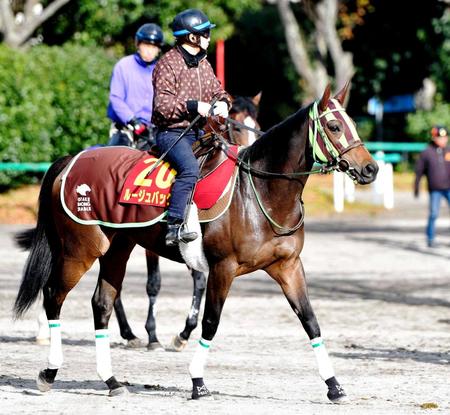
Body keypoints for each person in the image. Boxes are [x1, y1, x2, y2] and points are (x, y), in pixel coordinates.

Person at [152, 8, 231, 247]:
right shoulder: (167, 64)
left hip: (198, 133)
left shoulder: (203, 63)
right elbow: (162, 106)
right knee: (189, 170)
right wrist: (194, 105)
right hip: (171, 133)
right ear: (192, 37)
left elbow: (218, 91)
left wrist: (224, 103)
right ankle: (173, 225)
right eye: (205, 33)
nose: (209, 37)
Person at [107, 23, 164, 150]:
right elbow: (116, 98)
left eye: (154, 47)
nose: (150, 50)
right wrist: (133, 121)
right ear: (138, 44)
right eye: (146, 45)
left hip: (153, 130)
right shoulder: (123, 66)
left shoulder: (162, 70)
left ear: (159, 49)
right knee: (117, 160)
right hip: (125, 127)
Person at [414, 125, 450, 247]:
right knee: (434, 213)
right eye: (441, 137)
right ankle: (430, 238)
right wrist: (416, 186)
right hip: (435, 189)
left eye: (445, 137)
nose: (443, 140)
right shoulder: (426, 153)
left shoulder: (449, 151)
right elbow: (419, 171)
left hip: (449, 188)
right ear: (434, 138)